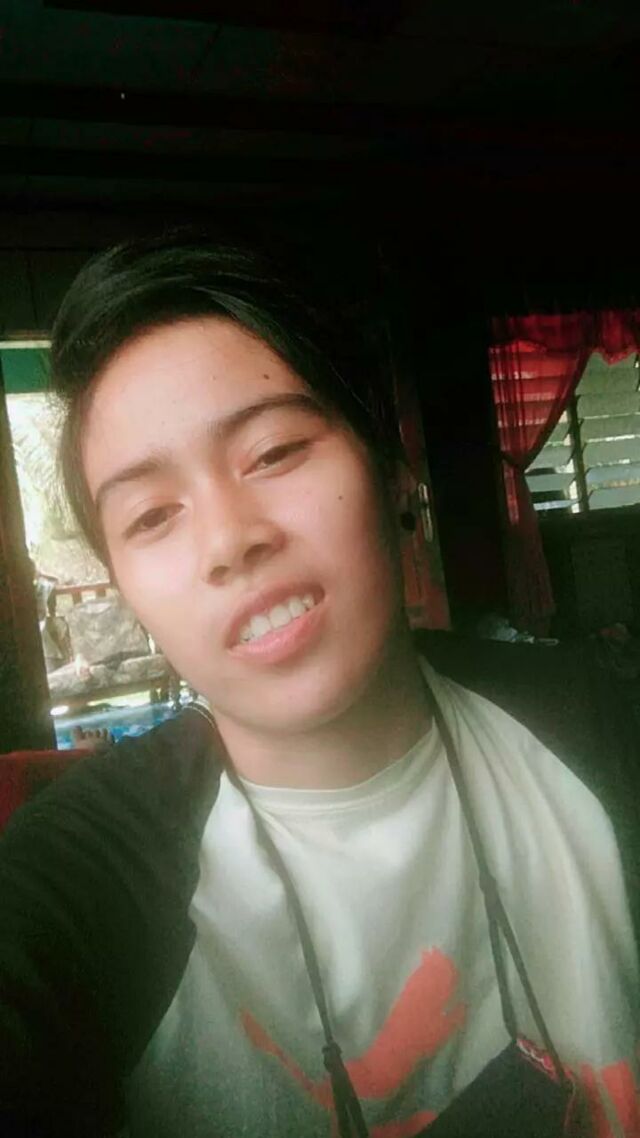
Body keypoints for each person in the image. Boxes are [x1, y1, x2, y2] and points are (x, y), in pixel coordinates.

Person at [0, 233, 638, 1138]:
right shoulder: (82, 888)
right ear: (127, 589)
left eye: (273, 452)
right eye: (152, 515)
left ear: (392, 471)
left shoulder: (605, 723)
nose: (230, 541)